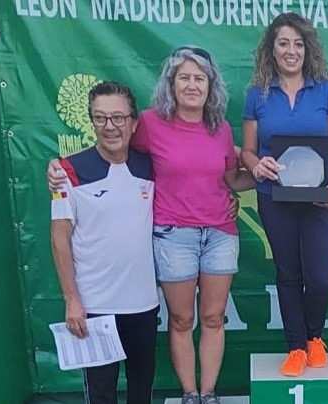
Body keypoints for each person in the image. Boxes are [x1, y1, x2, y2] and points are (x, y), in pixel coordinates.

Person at [50, 46, 254, 404]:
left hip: (219, 235)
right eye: (184, 77)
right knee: (181, 320)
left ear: (211, 85)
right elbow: (110, 147)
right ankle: (189, 394)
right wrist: (56, 166)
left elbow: (229, 176)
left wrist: (264, 175)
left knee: (213, 317)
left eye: (200, 78)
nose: (192, 85)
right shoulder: (149, 124)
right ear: (171, 84)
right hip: (173, 237)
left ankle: (208, 394)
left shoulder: (220, 129)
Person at [240, 12, 328, 377]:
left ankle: (315, 337)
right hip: (275, 197)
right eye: (284, 43)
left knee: (319, 277)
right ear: (271, 49)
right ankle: (296, 347)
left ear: (308, 49)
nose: (291, 51)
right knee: (288, 273)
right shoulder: (257, 94)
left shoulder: (326, 90)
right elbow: (248, 151)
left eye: (298, 44)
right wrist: (256, 165)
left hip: (320, 198)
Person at [51, 81, 159, 404]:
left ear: (134, 123)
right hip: (94, 308)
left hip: (143, 305)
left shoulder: (150, 166)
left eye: (118, 117)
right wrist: (72, 300)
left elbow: (194, 182)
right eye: (100, 118)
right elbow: (59, 237)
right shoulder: (68, 170)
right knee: (101, 396)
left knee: (141, 392)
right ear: (92, 122)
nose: (110, 126)